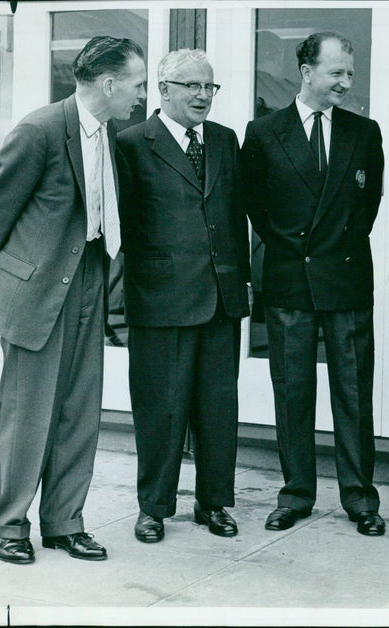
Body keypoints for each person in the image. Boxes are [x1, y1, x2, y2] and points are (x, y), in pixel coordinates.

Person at [0, 36, 147, 564]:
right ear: (109, 84)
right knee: (29, 415)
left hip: (88, 280)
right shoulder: (40, 129)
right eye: (137, 85)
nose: (142, 96)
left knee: (78, 411)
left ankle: (64, 523)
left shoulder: (110, 136)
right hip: (37, 289)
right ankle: (10, 525)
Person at [240, 31, 385, 536]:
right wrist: (295, 247)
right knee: (293, 392)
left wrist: (327, 249)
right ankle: (296, 494)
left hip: (345, 281)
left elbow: (366, 211)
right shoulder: (262, 132)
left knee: (353, 394)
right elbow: (256, 207)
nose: (347, 82)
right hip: (289, 280)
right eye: (337, 73)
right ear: (306, 73)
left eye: (350, 73)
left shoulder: (364, 133)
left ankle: (361, 498)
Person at [116, 49, 249, 543]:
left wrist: (241, 282)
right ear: (164, 89)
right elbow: (123, 228)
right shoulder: (131, 144)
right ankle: (154, 507)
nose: (202, 96)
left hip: (220, 298)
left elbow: (235, 217)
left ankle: (213, 504)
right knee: (160, 407)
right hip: (160, 302)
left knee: (218, 407)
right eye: (191, 86)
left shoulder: (224, 140)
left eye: (209, 87)